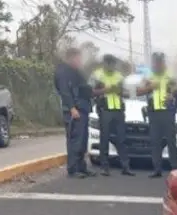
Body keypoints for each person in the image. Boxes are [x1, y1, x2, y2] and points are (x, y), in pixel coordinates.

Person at [54, 47, 96, 178]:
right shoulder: (63, 72)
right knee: (75, 140)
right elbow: (65, 92)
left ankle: (81, 167)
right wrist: (72, 108)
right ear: (71, 58)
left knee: (82, 140)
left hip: (82, 109)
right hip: (74, 111)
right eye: (78, 58)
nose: (80, 60)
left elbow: (84, 88)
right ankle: (73, 168)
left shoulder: (76, 71)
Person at [137, 53, 177, 178]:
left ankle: (175, 168)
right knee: (155, 142)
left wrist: (173, 94)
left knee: (171, 141)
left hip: (168, 112)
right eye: (156, 62)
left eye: (160, 62)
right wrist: (150, 87)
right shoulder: (148, 76)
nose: (158, 64)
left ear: (163, 62)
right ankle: (157, 169)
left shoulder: (170, 75)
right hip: (153, 113)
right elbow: (138, 92)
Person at [90, 54, 134, 176]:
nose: (110, 66)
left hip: (118, 110)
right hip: (105, 110)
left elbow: (127, 94)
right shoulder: (97, 75)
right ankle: (105, 167)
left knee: (121, 139)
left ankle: (126, 167)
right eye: (108, 63)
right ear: (104, 63)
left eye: (112, 64)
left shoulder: (119, 76)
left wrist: (120, 91)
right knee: (104, 140)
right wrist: (105, 90)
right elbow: (90, 92)